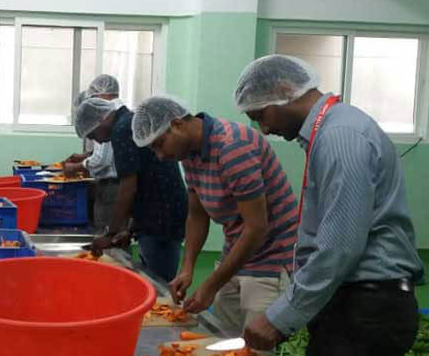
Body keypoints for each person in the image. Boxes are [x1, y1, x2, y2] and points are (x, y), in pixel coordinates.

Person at [235, 54, 423, 356]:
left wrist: (280, 317)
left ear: (286, 91)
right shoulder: (332, 131)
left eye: (262, 115)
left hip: (368, 306)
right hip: (350, 303)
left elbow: (340, 246)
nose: (264, 129)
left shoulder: (340, 136)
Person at [131, 96, 298, 336]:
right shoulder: (189, 153)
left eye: (159, 144)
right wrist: (187, 268)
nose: (159, 155)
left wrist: (211, 284)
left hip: (270, 260)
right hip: (236, 253)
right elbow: (197, 215)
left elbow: (256, 227)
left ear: (177, 124)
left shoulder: (233, 146)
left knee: (257, 346)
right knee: (223, 339)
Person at [79, 98, 188, 282]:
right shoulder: (129, 121)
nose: (94, 140)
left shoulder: (121, 130)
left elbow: (128, 187)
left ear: (101, 120)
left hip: (160, 219)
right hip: (163, 213)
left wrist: (111, 233)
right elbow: (146, 179)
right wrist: (130, 229)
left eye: (92, 134)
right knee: (153, 273)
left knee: (158, 284)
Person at [62, 75, 122, 232]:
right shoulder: (118, 113)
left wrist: (76, 167)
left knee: (106, 233)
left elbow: (102, 159)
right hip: (113, 185)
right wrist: (84, 157)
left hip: (112, 187)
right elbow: (105, 152)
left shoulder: (110, 115)